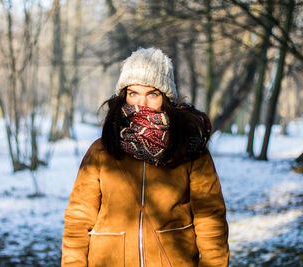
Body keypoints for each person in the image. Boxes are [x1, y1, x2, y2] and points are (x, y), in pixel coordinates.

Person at [61, 47, 229, 267]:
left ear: (166, 98)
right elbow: (78, 219)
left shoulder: (189, 149)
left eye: (152, 94)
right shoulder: (102, 150)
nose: (141, 104)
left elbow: (210, 220)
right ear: (123, 96)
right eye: (133, 93)